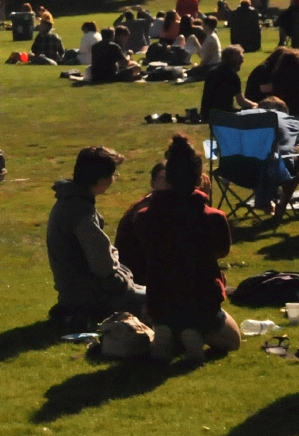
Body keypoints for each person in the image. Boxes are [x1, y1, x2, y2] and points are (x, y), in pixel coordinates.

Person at [129, 136, 241, 362]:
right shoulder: (213, 217)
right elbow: (220, 252)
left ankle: (167, 332)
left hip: (160, 298)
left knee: (170, 316)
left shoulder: (143, 217)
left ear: (167, 177)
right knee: (233, 340)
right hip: (200, 298)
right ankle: (195, 333)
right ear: (199, 178)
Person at [45, 146, 147, 327]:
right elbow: (103, 266)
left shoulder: (70, 201)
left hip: (78, 291)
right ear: (102, 180)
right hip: (90, 296)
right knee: (162, 302)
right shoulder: (81, 211)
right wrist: (121, 272)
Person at [199, 45, 249, 121]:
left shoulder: (212, 72)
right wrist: (257, 105)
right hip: (224, 114)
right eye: (240, 60)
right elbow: (241, 102)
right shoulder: (232, 76)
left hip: (207, 114)